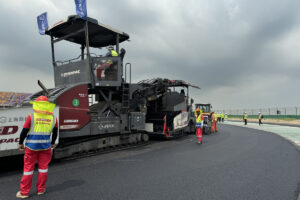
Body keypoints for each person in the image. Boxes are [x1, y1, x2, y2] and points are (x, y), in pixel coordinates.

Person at [16, 96, 58, 199]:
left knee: (28, 170)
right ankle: (41, 190)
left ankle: (24, 193)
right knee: (43, 169)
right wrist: (52, 143)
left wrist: (20, 143)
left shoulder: (32, 116)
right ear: (47, 105)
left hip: (31, 147)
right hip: (46, 147)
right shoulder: (53, 118)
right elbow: (55, 133)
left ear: (37, 104)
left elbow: (24, 131)